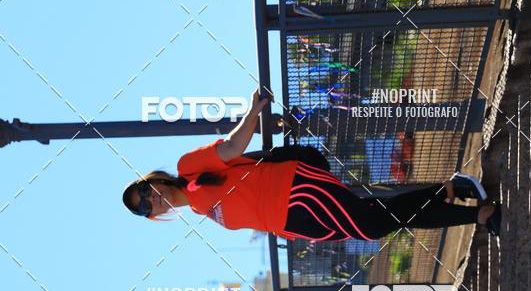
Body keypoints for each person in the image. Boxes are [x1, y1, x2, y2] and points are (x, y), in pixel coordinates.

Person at [122, 90, 501, 239]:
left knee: (369, 226)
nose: (150, 200)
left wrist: (254, 110)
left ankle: (479, 214)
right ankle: (452, 190)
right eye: (143, 209)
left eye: (144, 191)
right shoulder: (205, 213)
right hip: (295, 225)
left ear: (152, 181)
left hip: (294, 190)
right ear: (152, 217)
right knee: (380, 218)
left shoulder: (188, 168)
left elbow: (236, 145)